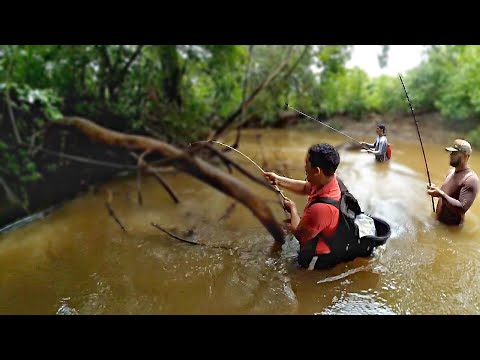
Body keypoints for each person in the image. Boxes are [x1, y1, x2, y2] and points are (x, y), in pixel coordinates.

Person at [265, 143, 342, 270]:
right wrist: (278, 180)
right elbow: (306, 187)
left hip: (317, 259)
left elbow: (301, 236)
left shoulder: (320, 209)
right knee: (286, 225)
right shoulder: (330, 179)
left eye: (307, 163)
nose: (304, 166)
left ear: (317, 171)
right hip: (323, 232)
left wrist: (293, 209)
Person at [427, 139, 479, 225]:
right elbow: (448, 194)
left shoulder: (471, 179)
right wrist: (434, 190)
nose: (451, 155)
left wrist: (440, 194)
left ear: (466, 156)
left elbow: (461, 209)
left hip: (451, 229)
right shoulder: (450, 172)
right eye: (451, 152)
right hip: (438, 223)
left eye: (455, 153)